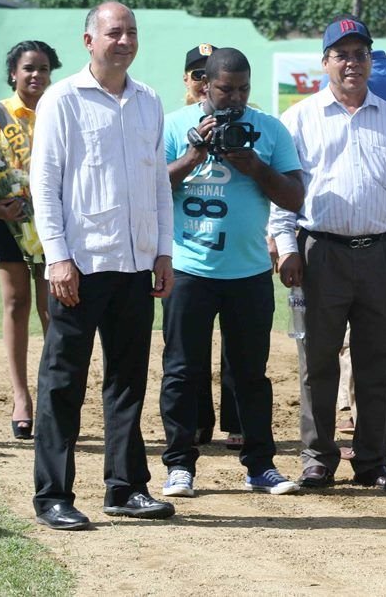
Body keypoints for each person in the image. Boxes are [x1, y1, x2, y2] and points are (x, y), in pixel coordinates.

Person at [29, 2, 176, 530]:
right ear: (88, 40)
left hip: (136, 265)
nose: (125, 40)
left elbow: (159, 183)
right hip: (80, 267)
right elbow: (44, 185)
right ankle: (53, 495)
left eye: (132, 31)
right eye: (115, 32)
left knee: (128, 379)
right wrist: (58, 257)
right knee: (63, 381)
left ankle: (126, 486)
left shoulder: (148, 100)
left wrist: (163, 250)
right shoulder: (62, 100)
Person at [269, 16, 386, 492]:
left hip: (382, 254)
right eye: (342, 54)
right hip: (322, 254)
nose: (352, 63)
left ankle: (373, 461)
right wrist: (288, 246)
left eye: (360, 54)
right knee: (317, 359)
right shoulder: (299, 118)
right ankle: (317, 459)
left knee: (378, 360)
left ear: (369, 61)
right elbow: (284, 194)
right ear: (325, 62)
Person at [159, 47, 304, 498]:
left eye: (243, 89)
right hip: (189, 269)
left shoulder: (269, 130)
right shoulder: (171, 125)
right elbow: (151, 187)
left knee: (250, 374)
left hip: (249, 272)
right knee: (182, 371)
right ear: (205, 84)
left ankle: (260, 466)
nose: (235, 98)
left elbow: (296, 197)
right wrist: (194, 154)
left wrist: (255, 166)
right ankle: (180, 465)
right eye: (225, 89)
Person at [0, 40, 61, 440]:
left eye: (43, 68)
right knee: (14, 303)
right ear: (13, 72)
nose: (36, 76)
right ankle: (21, 397)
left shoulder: (60, 110)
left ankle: (54, 397)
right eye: (28, 68)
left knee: (53, 309)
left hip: (53, 225)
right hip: (9, 222)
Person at [177, 42, 243, 450]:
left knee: (238, 348)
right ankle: (198, 422)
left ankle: (236, 421)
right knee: (190, 351)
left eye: (210, 74)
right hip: (190, 254)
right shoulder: (175, 124)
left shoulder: (246, 124)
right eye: (197, 74)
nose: (204, 82)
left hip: (237, 256)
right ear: (189, 81)